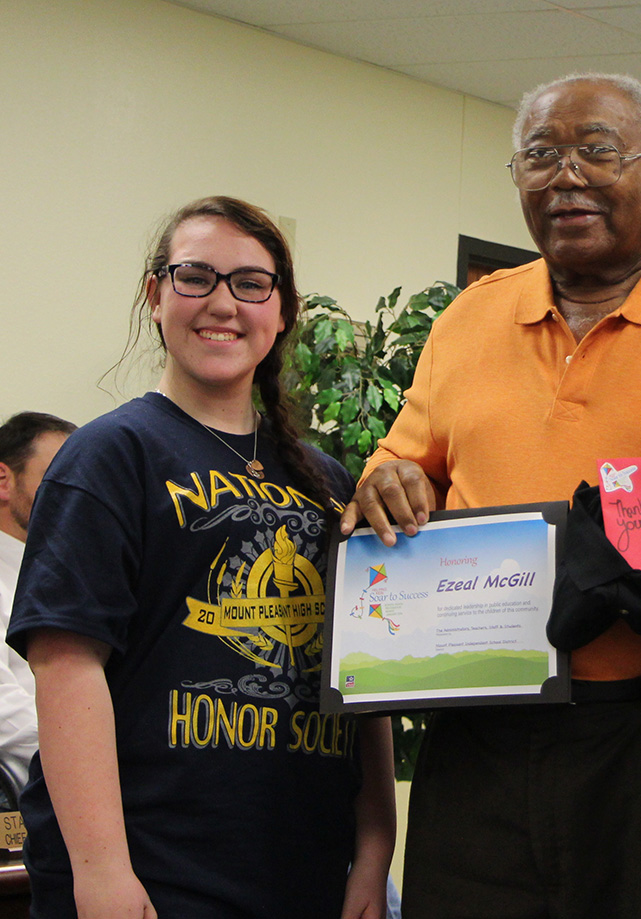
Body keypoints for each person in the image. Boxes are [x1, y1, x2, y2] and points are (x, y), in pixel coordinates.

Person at [342, 73, 641, 918]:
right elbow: (401, 464)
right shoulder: (468, 320)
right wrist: (387, 479)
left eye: (598, 151)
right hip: (482, 734)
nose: (566, 177)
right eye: (540, 156)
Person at [7, 197, 395, 918]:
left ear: (282, 310)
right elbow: (65, 666)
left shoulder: (327, 481)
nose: (223, 302)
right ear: (155, 296)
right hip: (152, 874)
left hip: (301, 870)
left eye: (251, 283)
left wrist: (374, 853)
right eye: (195, 277)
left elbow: (362, 676)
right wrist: (102, 873)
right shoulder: (107, 456)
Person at [0, 411, 75, 791]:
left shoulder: (84, 575)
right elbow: (5, 713)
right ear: (3, 481)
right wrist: (93, 753)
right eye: (57, 476)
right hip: (32, 792)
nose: (74, 494)